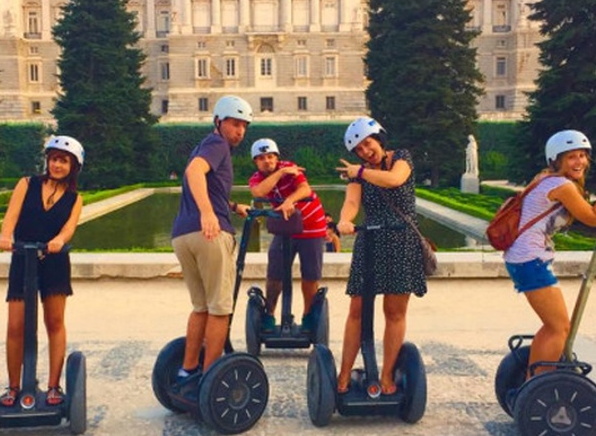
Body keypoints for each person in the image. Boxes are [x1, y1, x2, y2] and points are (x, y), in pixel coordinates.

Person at [504, 130, 596, 377]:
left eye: (582, 155)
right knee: (559, 328)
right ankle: (537, 385)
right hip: (530, 260)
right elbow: (594, 218)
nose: (579, 161)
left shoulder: (546, 178)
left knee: (554, 326)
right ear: (556, 160)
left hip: (524, 258)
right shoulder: (560, 185)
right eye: (571, 157)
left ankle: (533, 381)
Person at [335, 117, 427, 396]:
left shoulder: (401, 157)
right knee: (357, 310)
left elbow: (394, 179)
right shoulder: (357, 173)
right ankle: (343, 374)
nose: (365, 152)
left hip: (401, 239)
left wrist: (360, 172)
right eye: (359, 150)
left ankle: (386, 375)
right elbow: (351, 202)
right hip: (370, 239)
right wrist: (344, 221)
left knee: (394, 312)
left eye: (368, 144)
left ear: (379, 139)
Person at [0, 135, 85, 406]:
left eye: (64, 161)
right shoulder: (27, 184)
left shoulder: (75, 198)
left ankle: (54, 386)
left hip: (54, 261)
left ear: (73, 166)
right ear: (48, 160)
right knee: (15, 325)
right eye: (54, 159)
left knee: (54, 323)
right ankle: (13, 386)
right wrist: (5, 236)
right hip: (23, 256)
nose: (57, 165)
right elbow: (11, 216)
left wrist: (60, 240)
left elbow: (69, 227)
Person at [171, 95, 252, 383]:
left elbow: (208, 185)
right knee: (220, 308)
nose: (240, 130)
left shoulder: (205, 146)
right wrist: (208, 213)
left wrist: (231, 207)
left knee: (201, 307)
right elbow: (194, 172)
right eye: (234, 123)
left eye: (244, 125)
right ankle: (210, 378)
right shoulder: (217, 144)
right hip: (209, 234)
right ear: (219, 122)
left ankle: (187, 369)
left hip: (183, 235)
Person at [247, 138, 327, 332]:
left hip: (311, 225)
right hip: (286, 229)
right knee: (275, 272)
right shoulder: (259, 178)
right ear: (256, 162)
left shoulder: (290, 167)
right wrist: (280, 173)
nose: (267, 161)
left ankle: (308, 316)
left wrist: (290, 200)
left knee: (310, 275)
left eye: (271, 156)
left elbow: (305, 189)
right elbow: (258, 192)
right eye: (262, 158)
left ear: (278, 157)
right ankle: (269, 315)